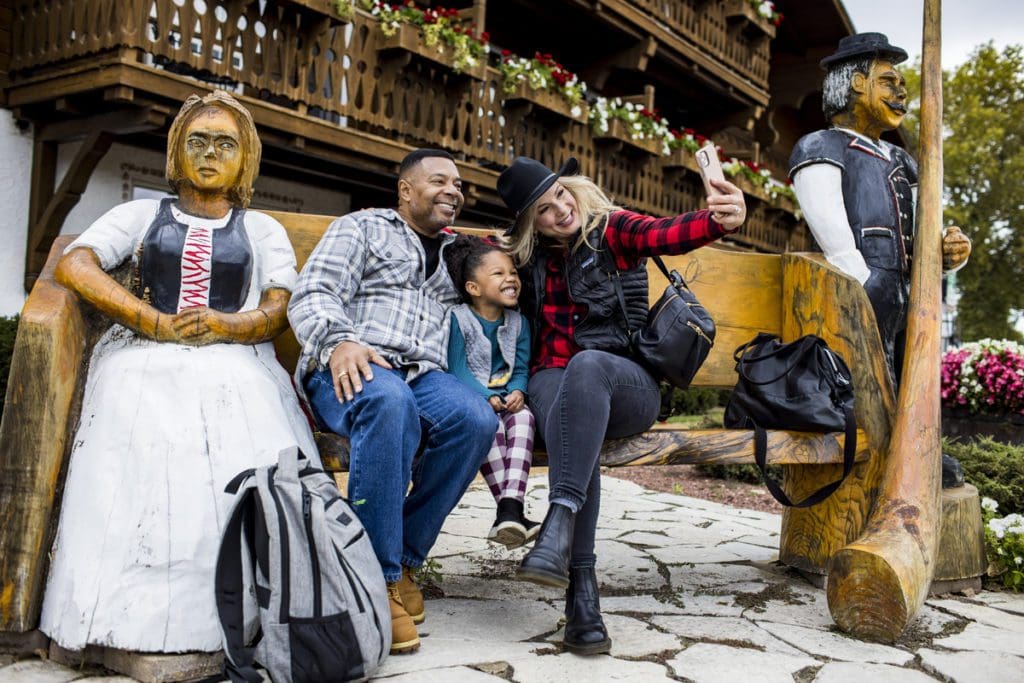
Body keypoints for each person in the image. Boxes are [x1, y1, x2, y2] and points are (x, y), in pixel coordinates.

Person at [38, 91, 317, 653]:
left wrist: (228, 325)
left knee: (232, 400)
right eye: (197, 141)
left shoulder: (260, 228)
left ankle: (227, 615)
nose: (209, 154)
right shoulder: (139, 215)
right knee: (132, 394)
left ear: (245, 159)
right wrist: (150, 320)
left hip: (234, 359)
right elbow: (75, 263)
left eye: (224, 143)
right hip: (143, 350)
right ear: (175, 151)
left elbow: (279, 304)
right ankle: (119, 615)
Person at [496, 155, 746, 654]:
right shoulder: (526, 259)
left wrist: (723, 216)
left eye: (561, 195)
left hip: (627, 383)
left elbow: (670, 234)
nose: (561, 210)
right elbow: (465, 257)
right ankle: (581, 597)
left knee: (587, 366)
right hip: (551, 384)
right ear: (529, 224)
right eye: (544, 210)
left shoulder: (612, 231)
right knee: (572, 410)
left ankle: (559, 522)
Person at [287, 149, 497, 654]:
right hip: (353, 364)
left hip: (422, 373)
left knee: (475, 419)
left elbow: (507, 272)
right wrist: (339, 341)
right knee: (389, 404)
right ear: (406, 190)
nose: (454, 190)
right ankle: (372, 580)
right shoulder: (362, 228)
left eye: (460, 184)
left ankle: (401, 560)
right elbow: (314, 293)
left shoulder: (458, 254)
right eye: (440, 180)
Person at [789, 32, 971, 382]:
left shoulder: (904, 160)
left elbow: (926, 231)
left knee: (907, 388)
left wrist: (947, 254)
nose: (901, 93)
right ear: (857, 83)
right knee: (858, 388)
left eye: (901, 84)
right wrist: (862, 284)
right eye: (888, 82)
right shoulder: (820, 146)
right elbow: (833, 235)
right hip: (854, 295)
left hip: (910, 298)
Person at [443, 235, 539, 548]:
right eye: (498, 274)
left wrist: (518, 392)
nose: (511, 278)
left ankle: (507, 513)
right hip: (475, 398)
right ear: (473, 288)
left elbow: (521, 368)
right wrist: (486, 396)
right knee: (490, 426)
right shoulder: (458, 319)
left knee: (524, 419)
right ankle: (512, 512)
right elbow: (457, 369)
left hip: (507, 399)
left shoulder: (519, 323)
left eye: (512, 273)